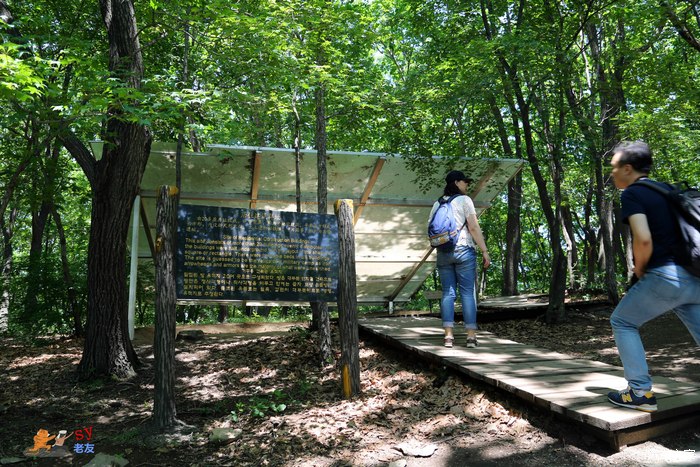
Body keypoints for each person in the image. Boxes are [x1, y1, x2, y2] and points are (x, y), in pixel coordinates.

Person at [607, 141, 700, 412]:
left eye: (614, 167)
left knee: (622, 321)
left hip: (666, 275)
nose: (612, 173)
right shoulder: (668, 190)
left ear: (627, 168)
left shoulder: (633, 194)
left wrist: (640, 269)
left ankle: (640, 393)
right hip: (695, 276)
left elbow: (644, 239)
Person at [429, 170, 490, 348]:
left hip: (443, 252)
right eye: (465, 181)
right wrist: (484, 250)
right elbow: (473, 227)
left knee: (447, 293)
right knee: (467, 293)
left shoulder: (438, 203)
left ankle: (448, 336)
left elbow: (431, 229)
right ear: (456, 182)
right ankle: (470, 337)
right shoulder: (465, 200)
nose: (467, 184)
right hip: (464, 250)